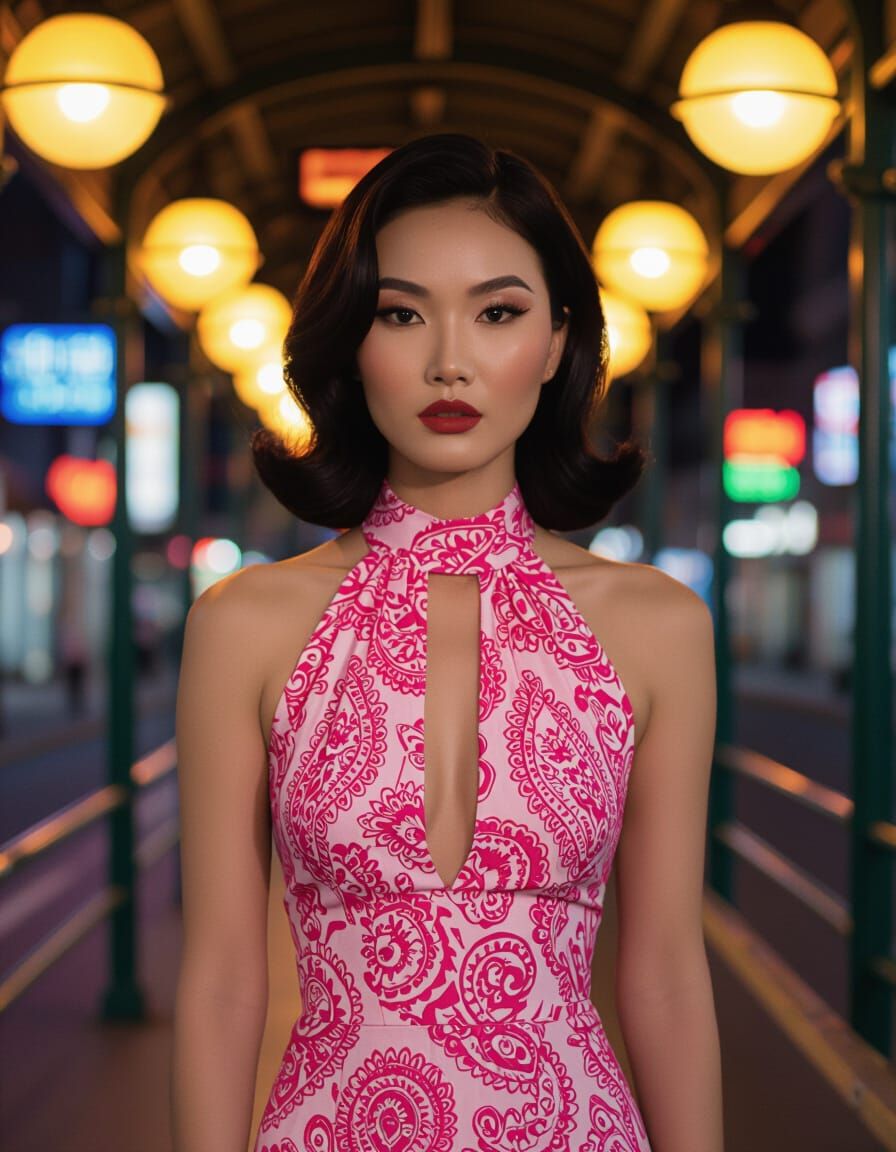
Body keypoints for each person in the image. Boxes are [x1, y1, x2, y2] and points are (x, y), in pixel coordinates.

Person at [171, 132, 724, 1152]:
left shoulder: (657, 627)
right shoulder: (244, 625)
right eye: (400, 313)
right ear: (351, 340)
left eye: (497, 312)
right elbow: (219, 982)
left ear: (555, 343)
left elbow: (663, 978)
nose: (449, 361)